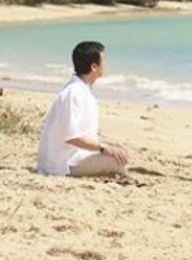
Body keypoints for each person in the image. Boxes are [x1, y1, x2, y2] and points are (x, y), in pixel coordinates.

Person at [37, 41, 130, 177]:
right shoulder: (73, 94)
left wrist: (108, 146)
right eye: (103, 61)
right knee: (117, 161)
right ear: (94, 67)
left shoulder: (82, 90)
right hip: (64, 164)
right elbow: (71, 137)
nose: (105, 65)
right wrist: (103, 148)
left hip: (77, 156)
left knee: (120, 154)